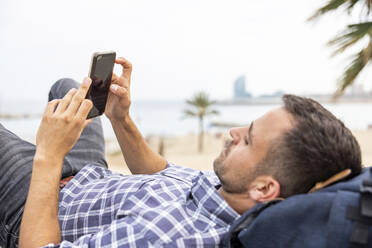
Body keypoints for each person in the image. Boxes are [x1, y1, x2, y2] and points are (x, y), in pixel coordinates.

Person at [0, 57, 362, 248]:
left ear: (265, 189)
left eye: (247, 140)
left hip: (37, 204)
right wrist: (120, 118)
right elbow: (159, 171)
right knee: (68, 87)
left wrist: (48, 154)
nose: (232, 133)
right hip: (88, 177)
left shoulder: (170, 238)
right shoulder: (230, 190)